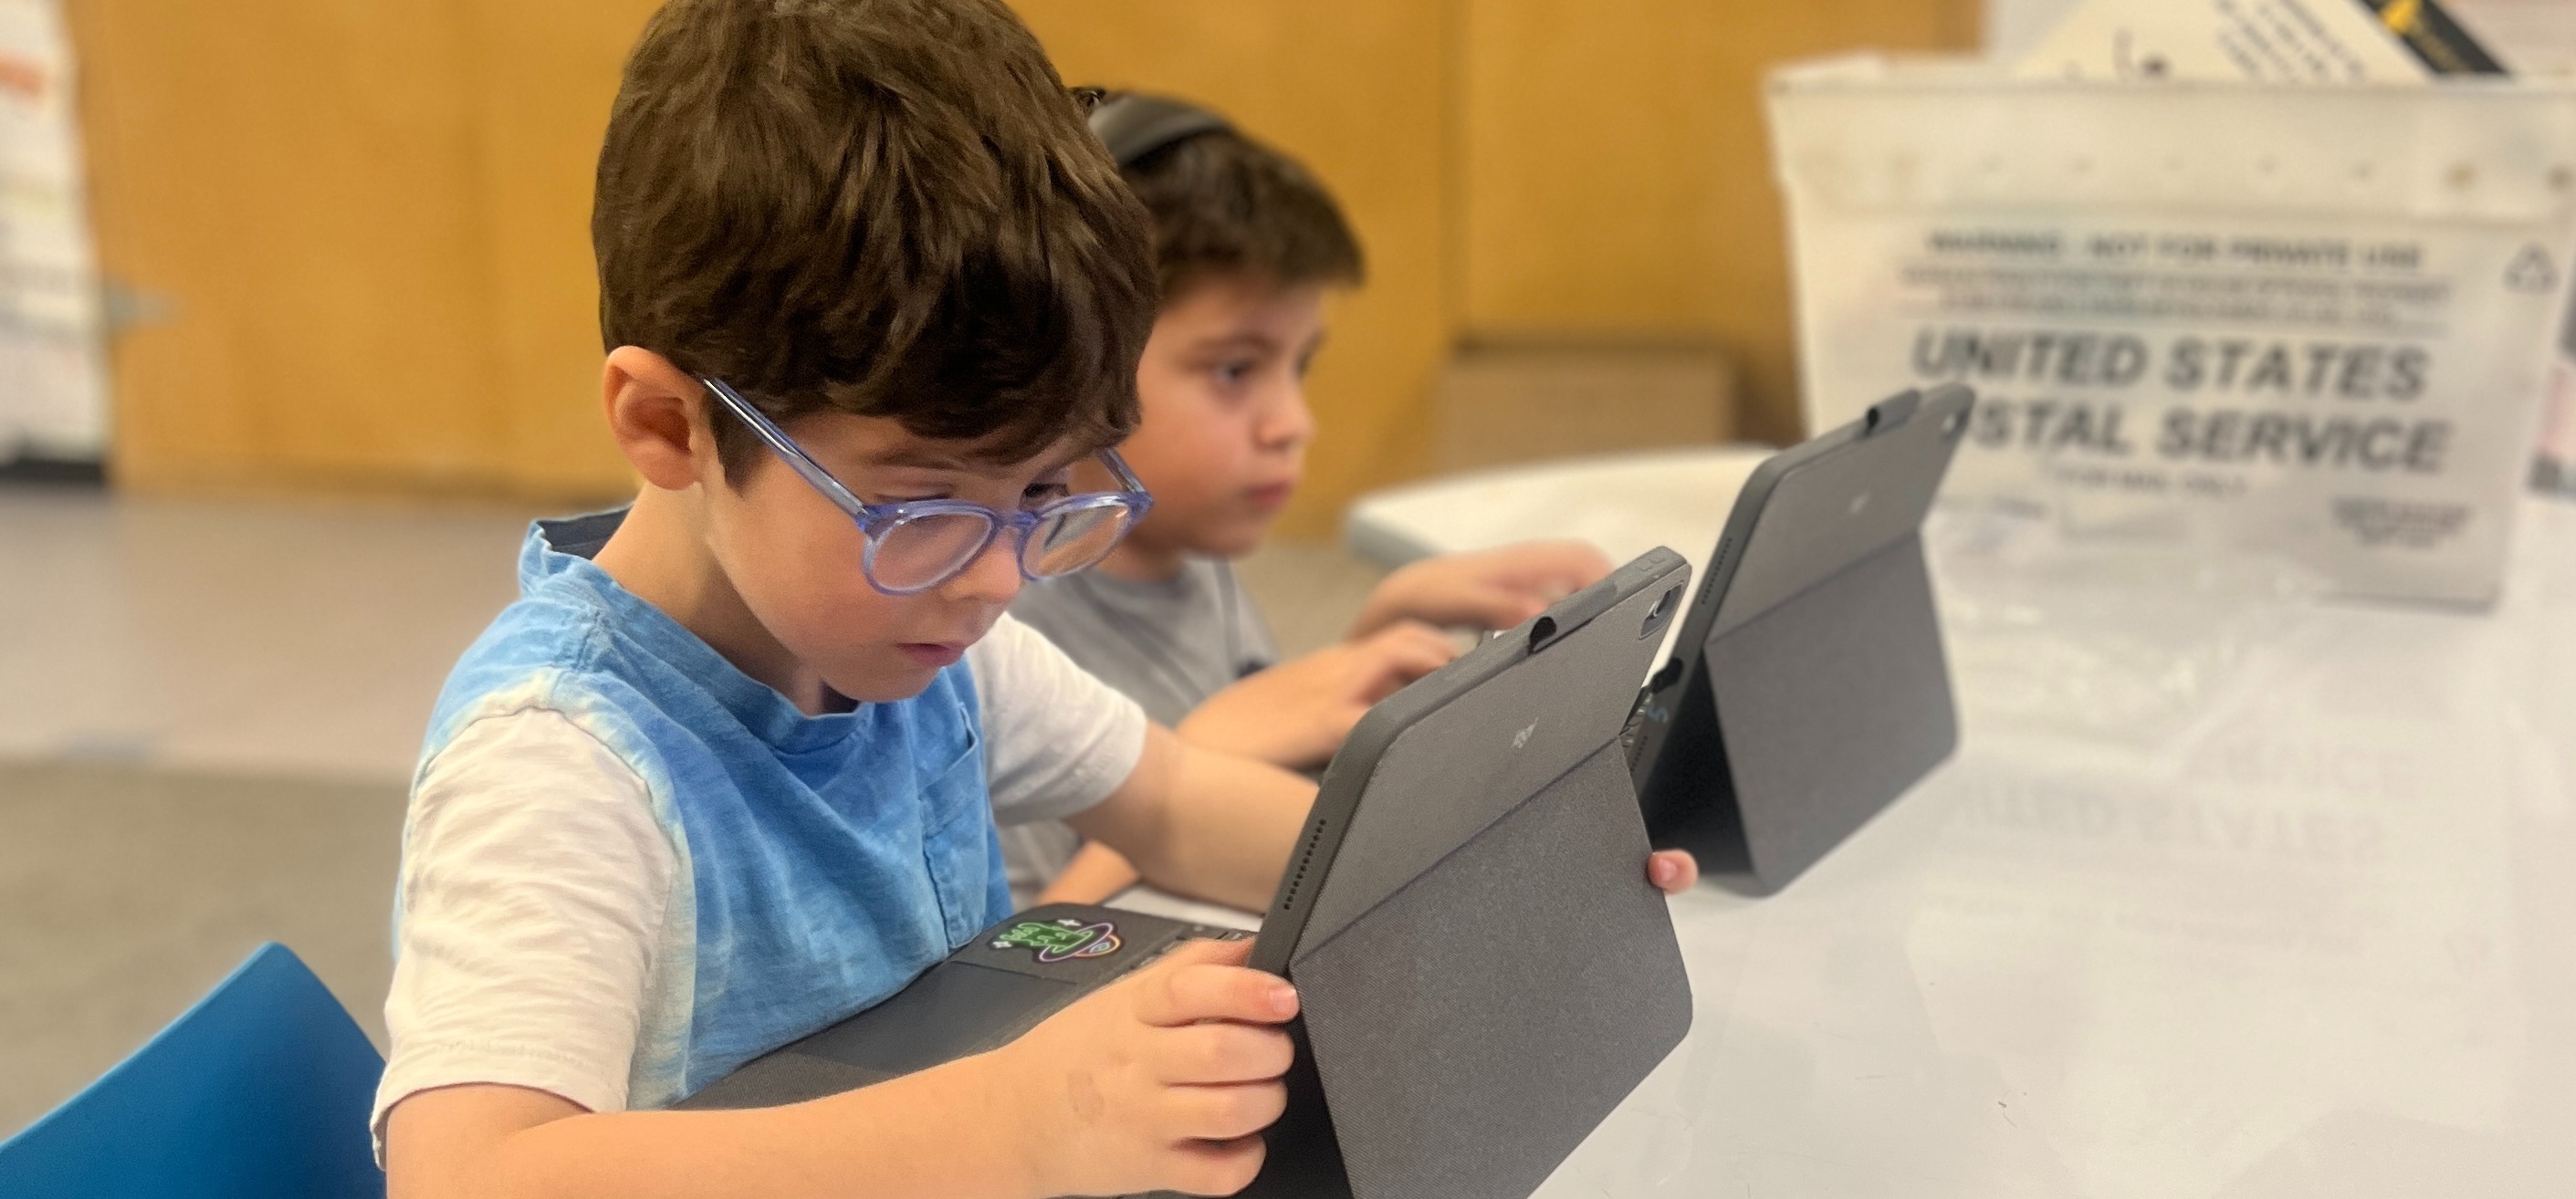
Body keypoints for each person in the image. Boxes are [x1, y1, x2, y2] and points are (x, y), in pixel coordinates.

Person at [372, 5, 1695, 1197]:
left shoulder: (921, 651)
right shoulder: (564, 761)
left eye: (1047, 492)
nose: (1000, 576)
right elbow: (472, 1174)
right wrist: (1016, 1123)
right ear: (670, 426)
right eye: (923, 506)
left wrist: (1478, 878)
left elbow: (1173, 801)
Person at [1007, 93, 1616, 906]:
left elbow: (1267, 741)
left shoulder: (1187, 554)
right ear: (1074, 359)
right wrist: (1197, 760)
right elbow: (1024, 953)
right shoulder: (993, 626)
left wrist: (1371, 644)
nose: (1293, 423)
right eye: (1234, 369)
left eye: (1299, 367)